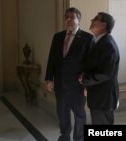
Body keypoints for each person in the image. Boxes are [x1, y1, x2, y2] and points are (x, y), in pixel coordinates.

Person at [45, 7, 93, 141]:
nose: (69, 19)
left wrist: (87, 84)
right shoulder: (58, 36)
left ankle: (79, 138)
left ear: (79, 19)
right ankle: (64, 136)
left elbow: (90, 63)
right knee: (62, 113)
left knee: (79, 114)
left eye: (72, 17)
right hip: (60, 84)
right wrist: (49, 78)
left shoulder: (88, 38)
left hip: (78, 86)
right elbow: (52, 59)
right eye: (66, 17)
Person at [81, 12, 120, 125]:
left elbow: (106, 73)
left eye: (95, 19)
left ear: (103, 25)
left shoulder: (108, 44)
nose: (91, 20)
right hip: (99, 96)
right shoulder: (100, 42)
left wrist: (85, 79)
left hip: (103, 98)